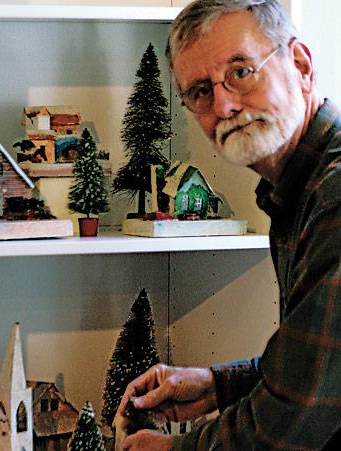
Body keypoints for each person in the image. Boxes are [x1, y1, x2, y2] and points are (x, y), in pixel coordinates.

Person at [118, 0, 341, 449]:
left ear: (300, 64)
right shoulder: (299, 190)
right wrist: (217, 385)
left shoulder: (334, 195)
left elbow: (299, 413)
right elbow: (318, 368)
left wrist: (171, 449)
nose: (223, 105)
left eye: (241, 72)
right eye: (200, 91)